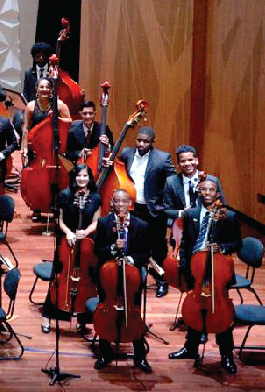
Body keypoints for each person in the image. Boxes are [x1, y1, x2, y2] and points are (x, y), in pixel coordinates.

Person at [167, 179, 240, 374]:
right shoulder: (190, 215)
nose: (207, 192)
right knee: (195, 308)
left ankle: (226, 355)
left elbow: (237, 243)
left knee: (221, 311)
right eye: (203, 189)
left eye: (211, 189)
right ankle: (190, 349)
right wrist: (184, 270)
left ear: (217, 194)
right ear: (199, 192)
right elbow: (187, 244)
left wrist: (223, 247)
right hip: (196, 267)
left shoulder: (229, 216)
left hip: (218, 270)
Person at [106, 126, 175, 297]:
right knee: (134, 244)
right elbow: (118, 171)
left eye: (146, 141)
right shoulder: (127, 153)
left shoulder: (163, 158)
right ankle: (134, 279)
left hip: (153, 210)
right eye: (139, 140)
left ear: (152, 142)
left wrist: (163, 203)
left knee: (158, 247)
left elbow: (172, 182)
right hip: (133, 208)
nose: (142, 144)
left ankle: (161, 281)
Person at [92, 189, 152, 373]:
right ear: (111, 203)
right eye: (116, 202)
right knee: (105, 309)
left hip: (131, 276)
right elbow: (97, 251)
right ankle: (104, 353)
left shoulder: (141, 225)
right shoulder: (104, 223)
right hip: (108, 275)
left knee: (133, 312)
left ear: (130, 203)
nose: (120, 205)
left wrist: (130, 260)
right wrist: (112, 248)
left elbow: (145, 253)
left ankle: (140, 356)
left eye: (123, 202)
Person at [40, 165, 101, 334]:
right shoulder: (65, 195)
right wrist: (68, 233)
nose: (82, 179)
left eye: (85, 176)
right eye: (79, 176)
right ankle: (47, 316)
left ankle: (83, 319)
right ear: (74, 177)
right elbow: (59, 220)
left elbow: (97, 221)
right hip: (67, 242)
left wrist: (86, 232)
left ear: (90, 178)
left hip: (87, 242)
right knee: (58, 280)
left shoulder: (95, 197)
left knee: (88, 280)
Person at [161, 145, 224, 228]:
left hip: (207, 224)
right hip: (183, 225)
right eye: (183, 161)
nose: (187, 163)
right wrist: (184, 213)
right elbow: (167, 210)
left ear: (197, 160)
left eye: (190, 160)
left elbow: (222, 205)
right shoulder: (171, 182)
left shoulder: (212, 181)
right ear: (178, 164)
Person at [19, 77, 73, 157]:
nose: (45, 89)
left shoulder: (59, 105)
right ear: (36, 89)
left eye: (48, 87)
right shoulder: (31, 106)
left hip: (54, 144)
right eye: (41, 87)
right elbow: (26, 128)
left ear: (51, 90)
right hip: (35, 145)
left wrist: (56, 118)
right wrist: (24, 147)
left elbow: (69, 121)